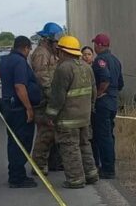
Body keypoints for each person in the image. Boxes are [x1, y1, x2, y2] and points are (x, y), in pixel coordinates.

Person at [45, 35, 99, 189]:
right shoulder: (87, 67)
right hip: (84, 117)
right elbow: (93, 92)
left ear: (62, 51)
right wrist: (90, 107)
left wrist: (51, 115)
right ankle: (91, 174)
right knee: (84, 145)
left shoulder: (63, 69)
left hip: (68, 119)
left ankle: (75, 179)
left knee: (70, 148)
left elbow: (57, 97)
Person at [0, 36, 41, 188]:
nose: (29, 52)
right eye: (29, 49)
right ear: (25, 48)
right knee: (22, 142)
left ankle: (16, 173)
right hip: (19, 108)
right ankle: (17, 177)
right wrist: (29, 108)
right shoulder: (19, 62)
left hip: (9, 106)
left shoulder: (5, 61)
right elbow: (19, 86)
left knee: (13, 141)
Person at [30, 22, 64, 175]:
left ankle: (51, 163)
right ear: (48, 39)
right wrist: (53, 98)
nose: (58, 45)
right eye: (56, 41)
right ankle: (38, 165)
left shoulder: (50, 53)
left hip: (49, 99)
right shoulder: (41, 54)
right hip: (44, 101)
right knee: (45, 134)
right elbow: (43, 78)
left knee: (51, 134)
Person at [91, 33, 124, 179]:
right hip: (113, 102)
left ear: (99, 45)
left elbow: (105, 79)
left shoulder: (100, 61)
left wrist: (97, 94)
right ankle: (109, 164)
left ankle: (107, 169)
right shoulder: (116, 61)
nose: (94, 47)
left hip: (103, 103)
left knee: (103, 136)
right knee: (109, 135)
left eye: (95, 44)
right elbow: (120, 84)